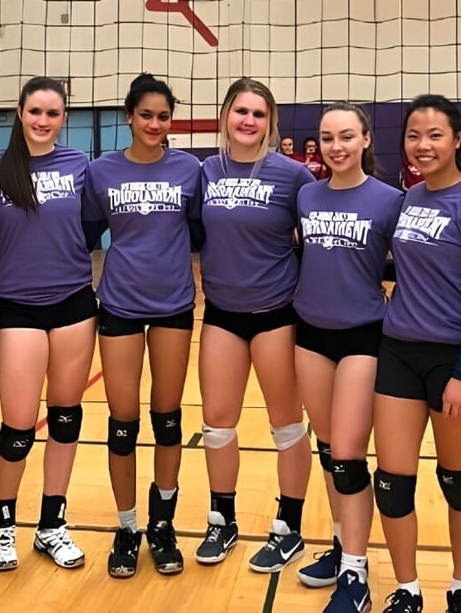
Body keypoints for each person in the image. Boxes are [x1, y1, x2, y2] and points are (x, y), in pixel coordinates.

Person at [374, 95, 461, 613]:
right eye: (413, 135)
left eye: (433, 135)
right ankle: (407, 589)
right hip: (399, 350)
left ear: (456, 140)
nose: (422, 145)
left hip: (455, 359)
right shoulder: (410, 199)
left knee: (457, 477)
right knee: (392, 479)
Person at [0, 76, 95, 574]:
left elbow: (89, 228)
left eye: (53, 113)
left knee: (66, 417)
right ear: (19, 113)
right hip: (19, 306)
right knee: (19, 426)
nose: (43, 121)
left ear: (63, 118)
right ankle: (3, 526)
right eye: (35, 111)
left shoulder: (79, 165)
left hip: (74, 304)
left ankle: (51, 526)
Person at [82, 73, 203, 579]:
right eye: (146, 115)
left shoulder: (189, 170)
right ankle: (128, 527)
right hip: (120, 304)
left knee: (168, 418)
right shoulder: (101, 172)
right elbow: (87, 234)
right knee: (123, 423)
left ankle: (163, 524)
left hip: (174, 302)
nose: (155, 124)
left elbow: (200, 231)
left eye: (163, 116)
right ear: (129, 117)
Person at [195, 77, 315, 573]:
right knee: (216, 423)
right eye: (241, 111)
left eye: (259, 114)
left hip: (276, 315)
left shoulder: (294, 176)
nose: (249, 121)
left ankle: (289, 526)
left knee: (286, 425)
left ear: (272, 123)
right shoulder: (205, 172)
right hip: (222, 313)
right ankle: (222, 518)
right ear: (225, 115)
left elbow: (317, 242)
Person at [291, 102, 403, 612]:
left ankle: (356, 575)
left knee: (351, 456)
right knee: (329, 450)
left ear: (364, 141)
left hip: (363, 334)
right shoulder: (306, 195)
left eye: (346, 137)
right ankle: (341, 547)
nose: (336, 146)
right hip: (309, 332)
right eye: (327, 138)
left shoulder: (389, 200)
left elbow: (415, 267)